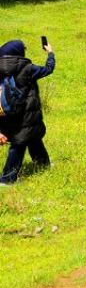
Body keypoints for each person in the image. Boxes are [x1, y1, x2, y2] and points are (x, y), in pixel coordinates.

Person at [0, 40, 55, 185]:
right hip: (26, 113)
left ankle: (43, 165)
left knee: (34, 137)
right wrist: (50, 53)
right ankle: (7, 179)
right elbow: (48, 69)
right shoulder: (27, 67)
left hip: (7, 113)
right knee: (19, 143)